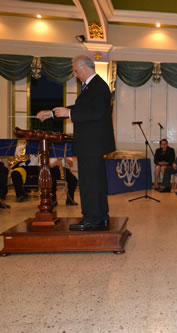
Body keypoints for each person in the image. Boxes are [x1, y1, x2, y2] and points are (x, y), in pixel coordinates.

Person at [37, 55, 116, 231]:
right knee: (94, 182)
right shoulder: (92, 87)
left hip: (92, 145)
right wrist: (53, 113)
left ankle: (92, 219)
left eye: (75, 70)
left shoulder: (98, 87)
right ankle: (100, 217)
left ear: (83, 68)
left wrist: (69, 114)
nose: (75, 74)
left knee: (90, 183)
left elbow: (96, 113)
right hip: (91, 145)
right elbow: (83, 109)